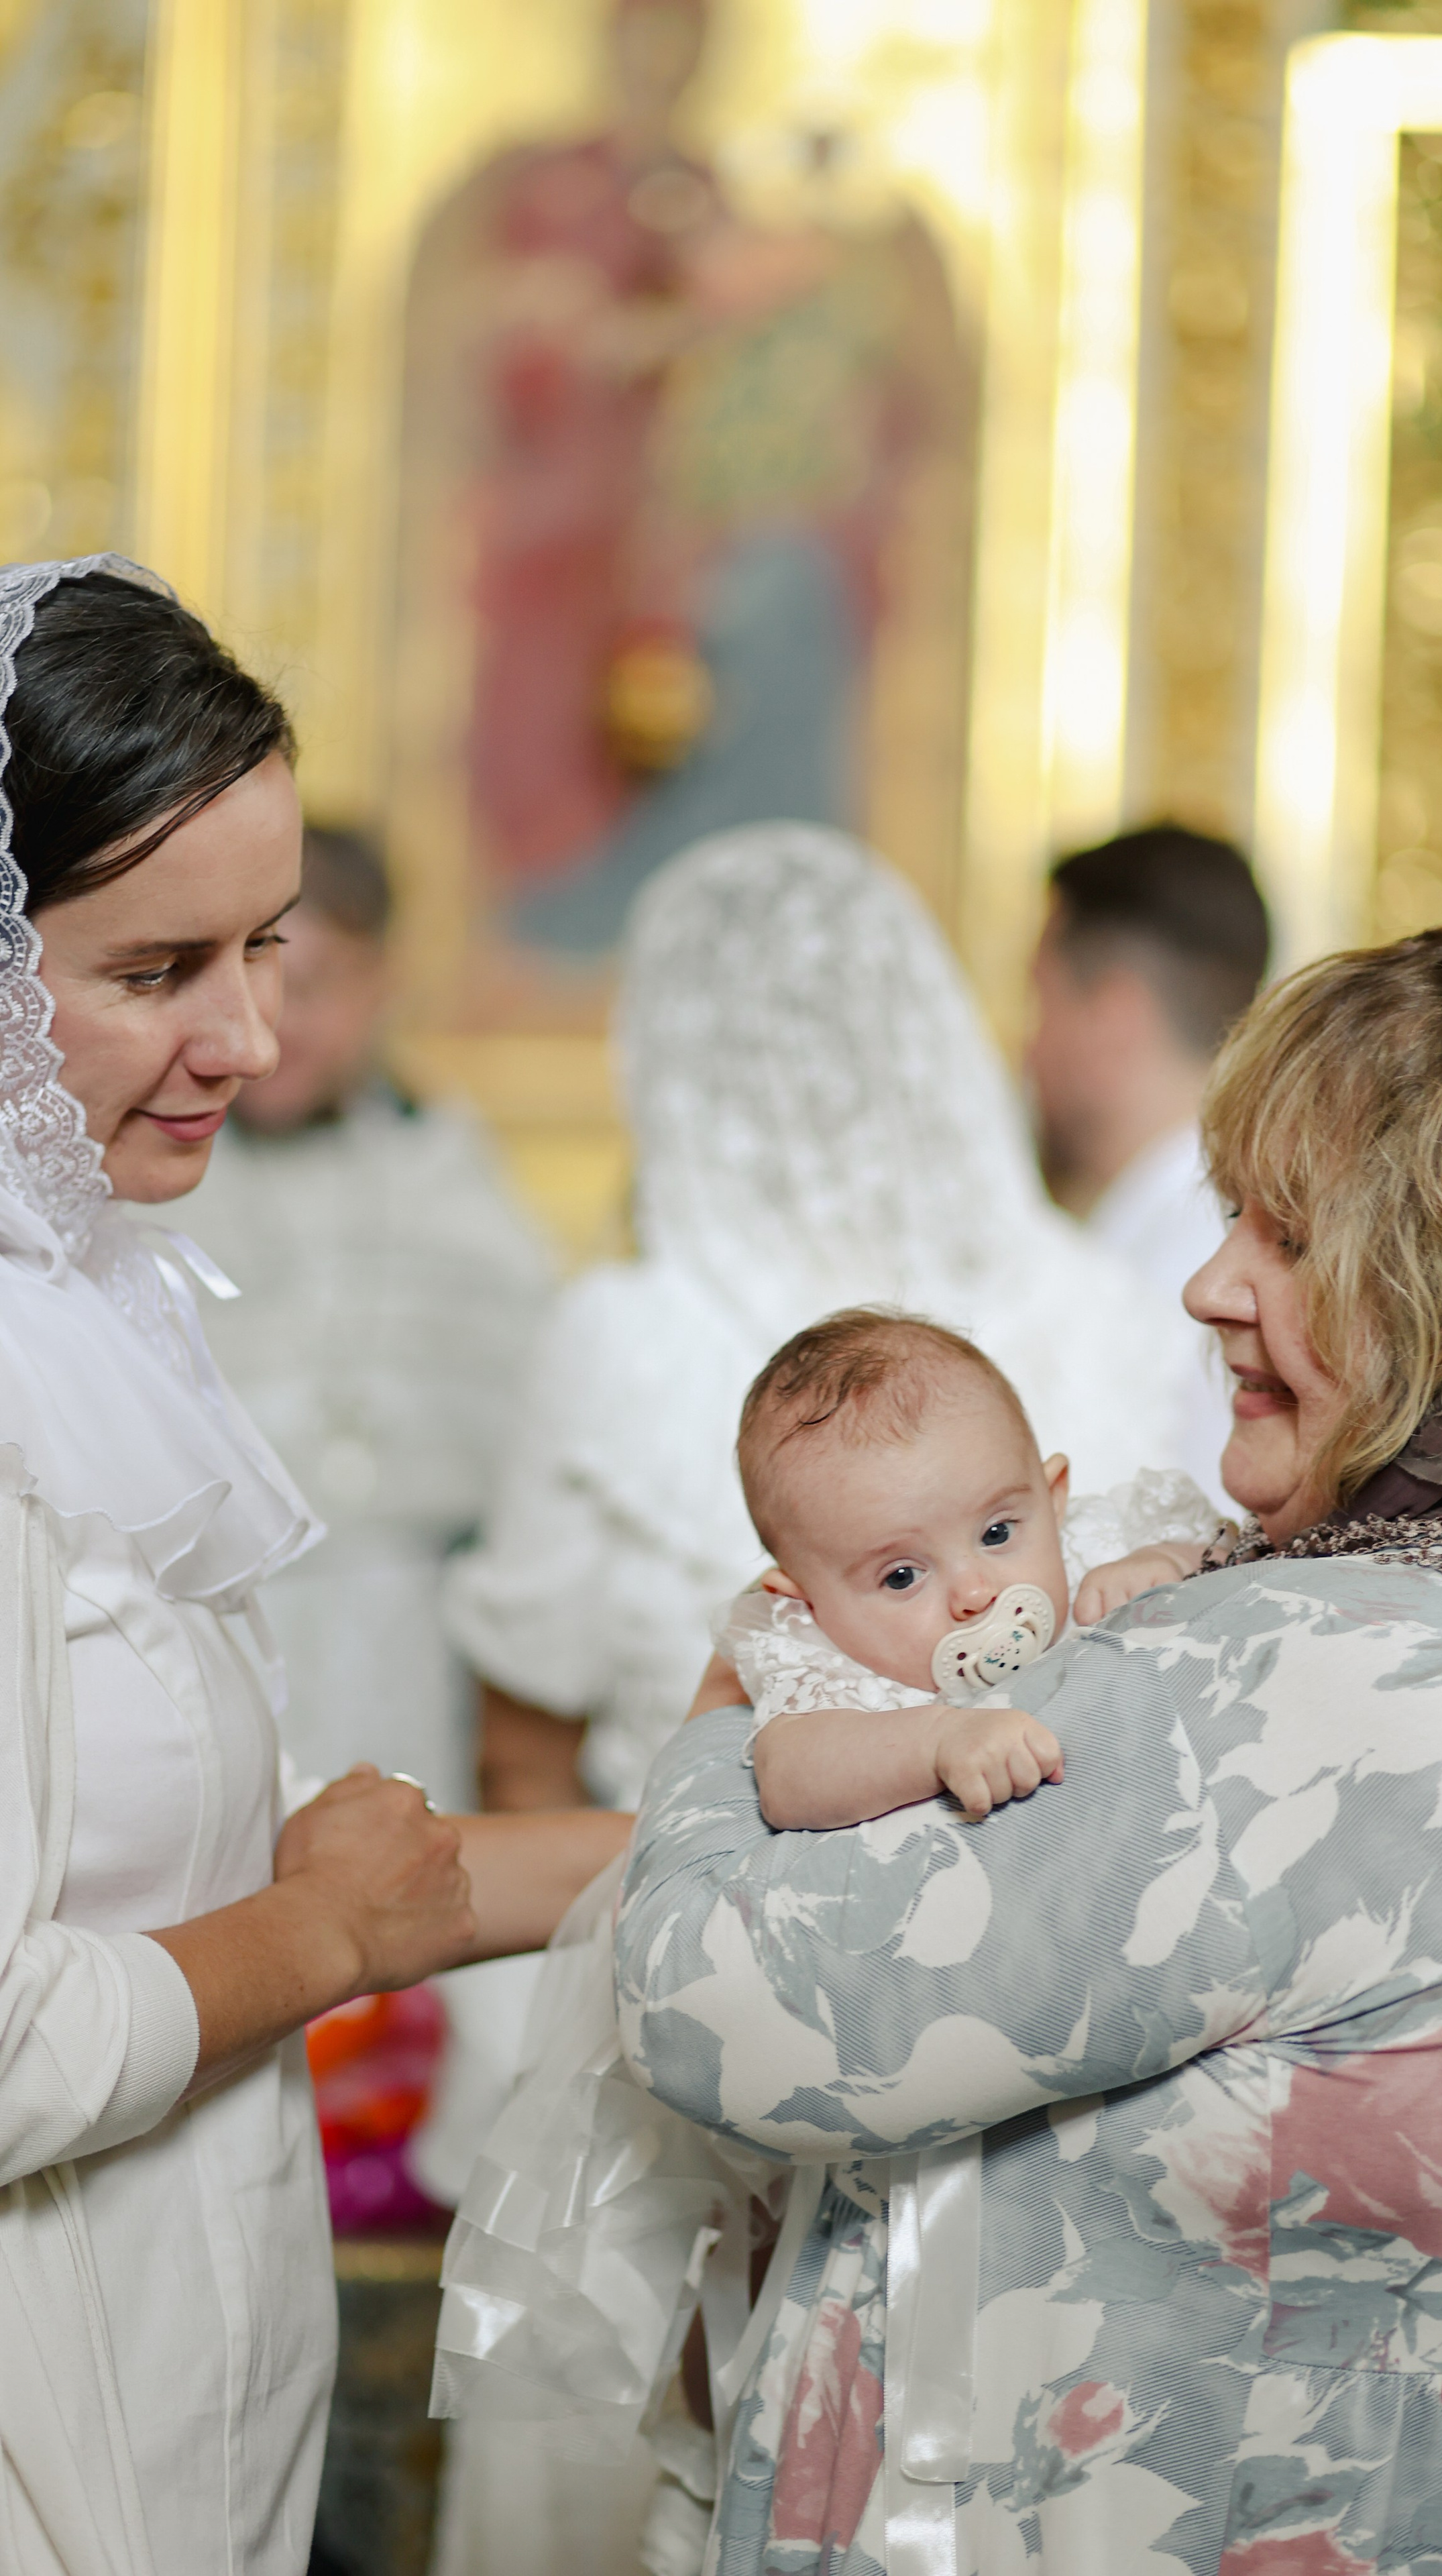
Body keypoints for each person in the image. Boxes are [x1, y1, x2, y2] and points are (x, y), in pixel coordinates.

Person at [616, 913, 1442, 2575]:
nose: (1208, 1286)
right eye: (1227, 1218)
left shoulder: (1261, 1684)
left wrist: (738, 1703)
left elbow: (718, 2011)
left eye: (1290, 1236)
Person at [433, 820, 1190, 2575]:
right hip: (1053, 2071)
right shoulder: (1083, 1302)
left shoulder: (623, 1340)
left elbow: (521, 1738)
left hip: (682, 2022)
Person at [0, 555, 628, 2576]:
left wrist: (742, 1809)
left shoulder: (86, 1310)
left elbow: (230, 1846)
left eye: (267, 948)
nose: (254, 1036)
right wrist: (326, 1945)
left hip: (178, 2370)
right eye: (157, 970)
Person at [184, 824, 557, 1812]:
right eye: (262, 984)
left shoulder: (446, 1172)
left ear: (382, 983)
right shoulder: (159, 1169)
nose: (283, 1024)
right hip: (210, 1631)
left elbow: (529, 1422)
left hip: (407, 1639)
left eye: (318, 990)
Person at [729, 1309, 1217, 1831]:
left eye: (996, 1534)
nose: (975, 1592)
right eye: (902, 1576)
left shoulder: (1091, 1548)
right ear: (805, 1604)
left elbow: (1233, 1548)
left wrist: (1164, 1563)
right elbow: (790, 1782)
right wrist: (936, 1743)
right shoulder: (830, 1669)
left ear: (1053, 1502)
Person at [1027, 820, 1270, 1499]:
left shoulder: (1179, 1272)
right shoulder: (1234, 1227)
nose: (1026, 1049)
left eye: (1038, 999)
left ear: (1112, 1011)